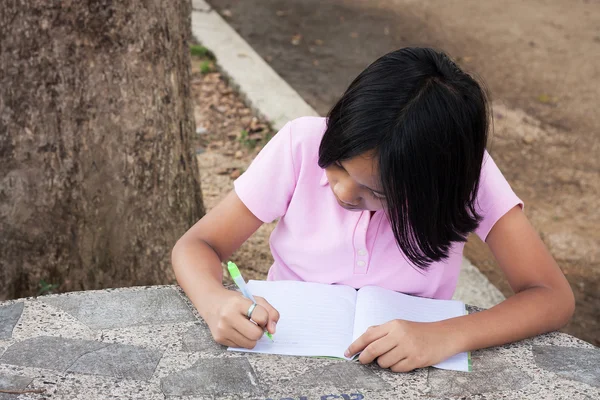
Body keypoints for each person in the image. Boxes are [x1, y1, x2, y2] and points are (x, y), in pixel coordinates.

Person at [172, 47, 574, 372]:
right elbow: (198, 245)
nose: (344, 192)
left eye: (376, 193)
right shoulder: (301, 143)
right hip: (286, 348)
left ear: (433, 186)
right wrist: (215, 302)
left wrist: (448, 335)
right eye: (337, 164)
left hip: (412, 364)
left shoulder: (468, 176)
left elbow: (551, 296)